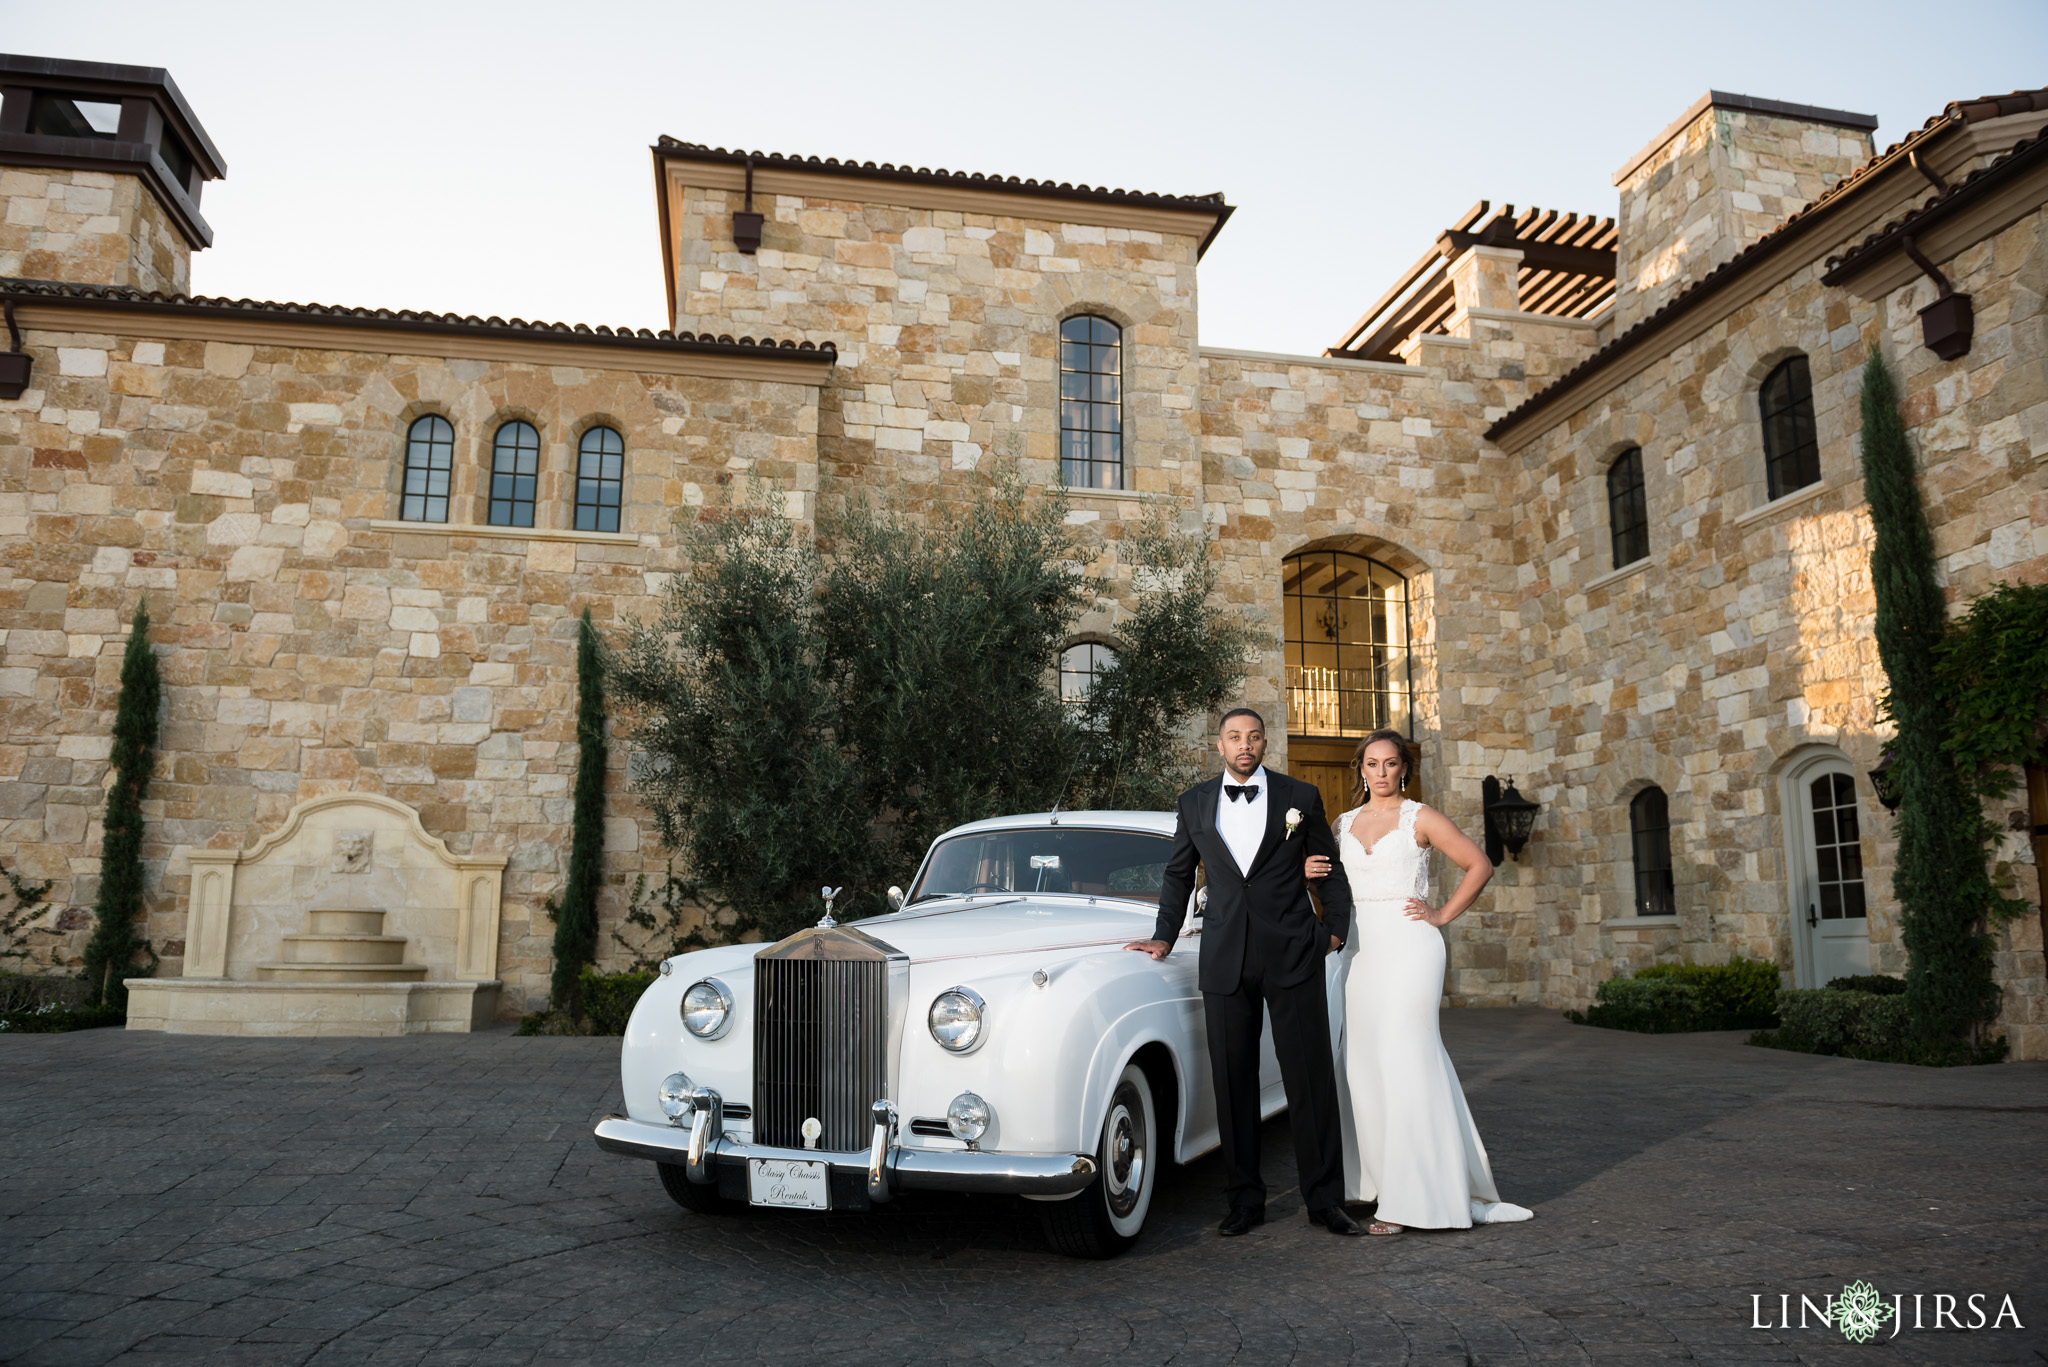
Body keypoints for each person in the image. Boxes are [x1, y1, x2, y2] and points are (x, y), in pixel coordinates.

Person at [1124, 708, 1364, 1237]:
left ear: (1264, 743)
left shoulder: (1300, 797)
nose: (1245, 745)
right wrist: (1164, 935)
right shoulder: (1193, 803)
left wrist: (1336, 930)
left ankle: (1324, 1200)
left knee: (1310, 1079)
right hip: (1225, 959)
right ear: (1220, 745)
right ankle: (1244, 1201)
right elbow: (1178, 874)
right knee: (1233, 1085)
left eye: (1253, 736)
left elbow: (1330, 867)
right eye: (1235, 737)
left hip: (1293, 954)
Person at [1302, 728, 1534, 1234]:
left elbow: (1479, 864)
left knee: (1408, 1058)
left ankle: (1416, 1201)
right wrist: (1308, 878)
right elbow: (1329, 889)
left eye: (1389, 764)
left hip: (1410, 945)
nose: (1380, 772)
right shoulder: (1341, 825)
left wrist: (1441, 914)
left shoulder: (1421, 817)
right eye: (1371, 764)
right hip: (1359, 950)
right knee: (1362, 1065)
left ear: (1403, 768)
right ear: (1360, 770)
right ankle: (1377, 1182)